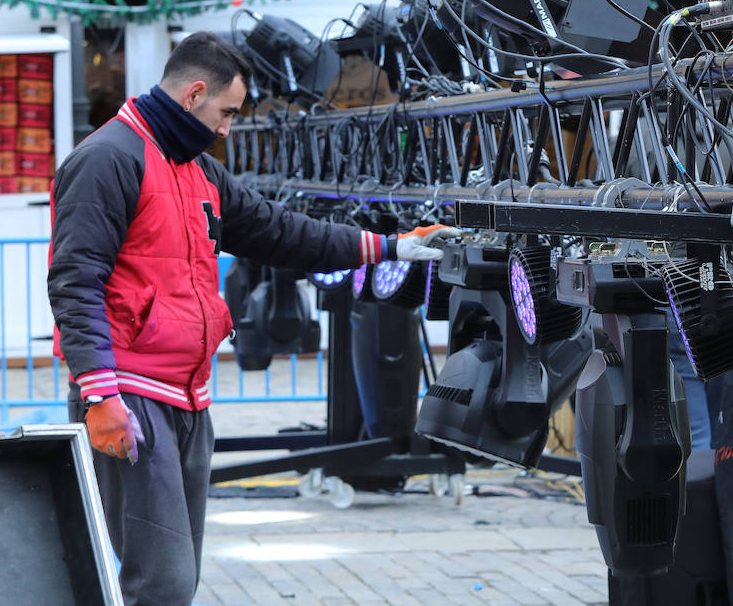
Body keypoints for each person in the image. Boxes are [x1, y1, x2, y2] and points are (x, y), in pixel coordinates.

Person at [48, 31, 455, 605]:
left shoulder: (196, 173)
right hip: (131, 396)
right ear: (193, 94)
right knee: (161, 582)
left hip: (186, 396)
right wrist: (99, 396)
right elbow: (74, 282)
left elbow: (282, 233)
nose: (227, 128)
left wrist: (390, 247)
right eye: (227, 112)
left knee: (174, 579)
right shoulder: (107, 159)